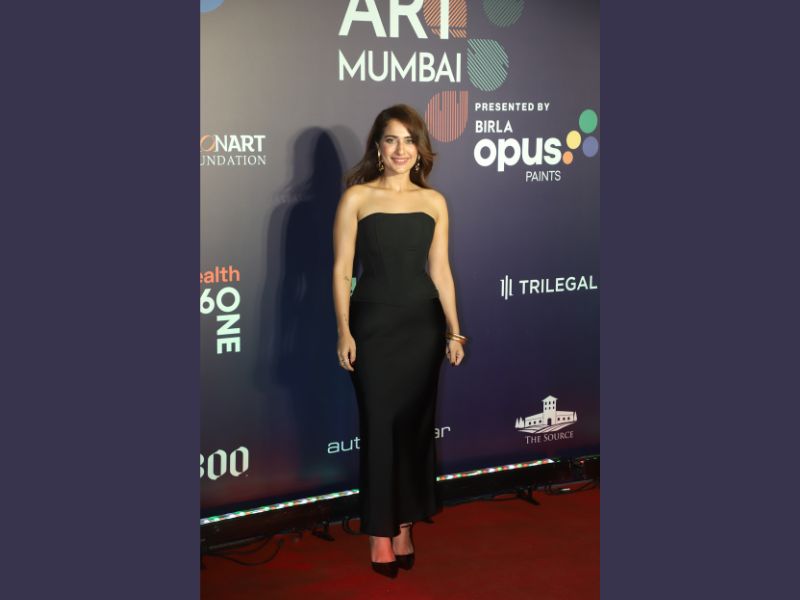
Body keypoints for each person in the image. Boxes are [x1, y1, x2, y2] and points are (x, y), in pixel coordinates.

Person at [331, 104, 467, 578]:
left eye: (409, 140)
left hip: (422, 328)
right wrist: (344, 330)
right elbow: (342, 270)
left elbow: (441, 271)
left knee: (414, 429)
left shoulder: (435, 202)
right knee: (378, 427)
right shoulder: (357, 198)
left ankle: (405, 524)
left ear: (420, 148)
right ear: (378, 146)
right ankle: (379, 533)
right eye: (391, 139)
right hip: (372, 327)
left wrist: (453, 330)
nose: (401, 149)